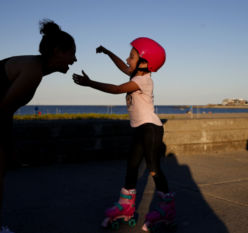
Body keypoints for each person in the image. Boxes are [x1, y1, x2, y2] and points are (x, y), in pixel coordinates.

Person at [72, 37, 175, 231]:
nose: (128, 60)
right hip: (139, 128)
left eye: (132, 57)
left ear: (144, 62)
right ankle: (126, 207)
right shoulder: (136, 74)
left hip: (151, 129)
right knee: (132, 166)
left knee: (153, 168)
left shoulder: (144, 81)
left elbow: (118, 89)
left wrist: (90, 83)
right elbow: (123, 67)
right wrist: (107, 51)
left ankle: (167, 207)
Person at [0, 19, 76, 232]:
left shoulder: (35, 67)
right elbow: (3, 110)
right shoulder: (33, 70)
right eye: (72, 53)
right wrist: (9, 148)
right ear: (57, 52)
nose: (75, 59)